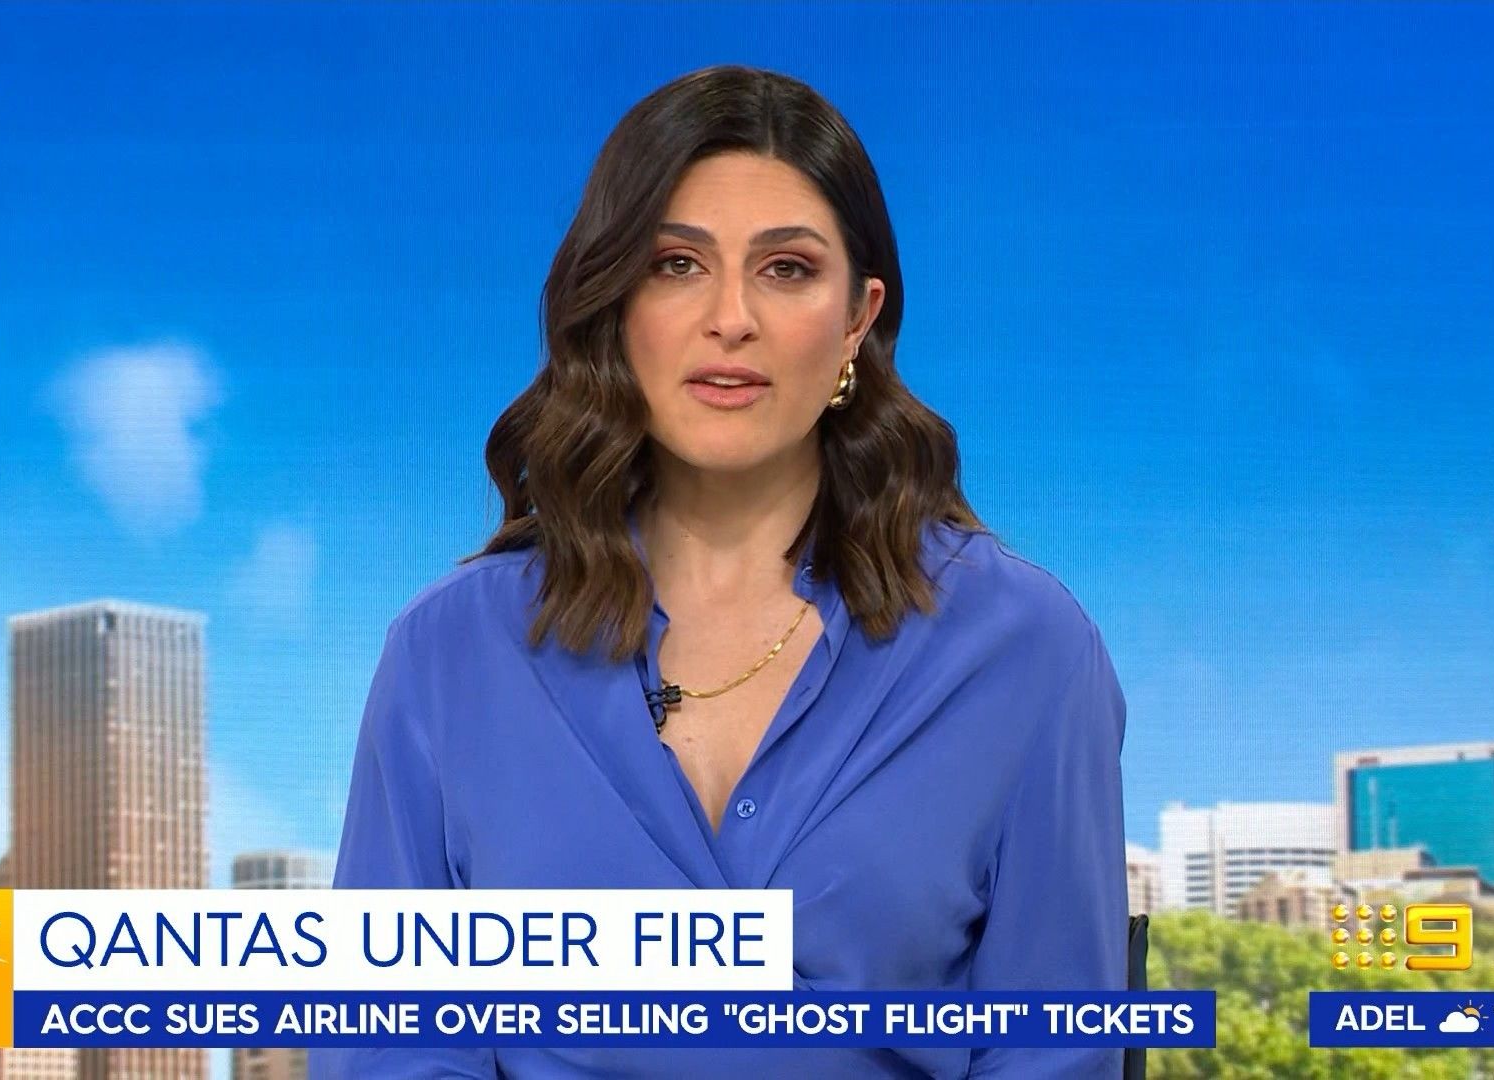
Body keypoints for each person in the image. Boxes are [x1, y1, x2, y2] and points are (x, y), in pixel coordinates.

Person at [313, 63, 1128, 1079]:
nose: (730, 317)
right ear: (614, 304)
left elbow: (1055, 1053)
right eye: (675, 264)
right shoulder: (446, 655)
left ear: (858, 318)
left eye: (786, 268)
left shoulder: (1025, 650)